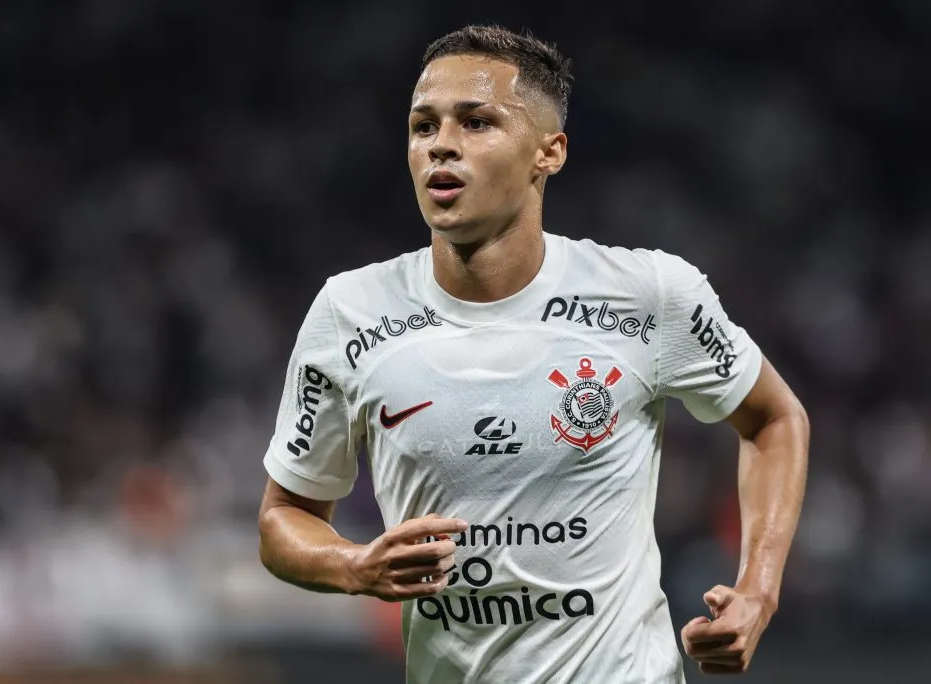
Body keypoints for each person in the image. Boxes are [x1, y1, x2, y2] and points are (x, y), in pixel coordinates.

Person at [257, 24, 809, 684]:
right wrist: (353, 566)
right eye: (423, 125)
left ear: (548, 152)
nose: (441, 146)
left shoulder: (648, 296)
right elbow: (284, 518)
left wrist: (758, 590)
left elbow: (775, 420)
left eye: (476, 122)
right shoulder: (350, 311)